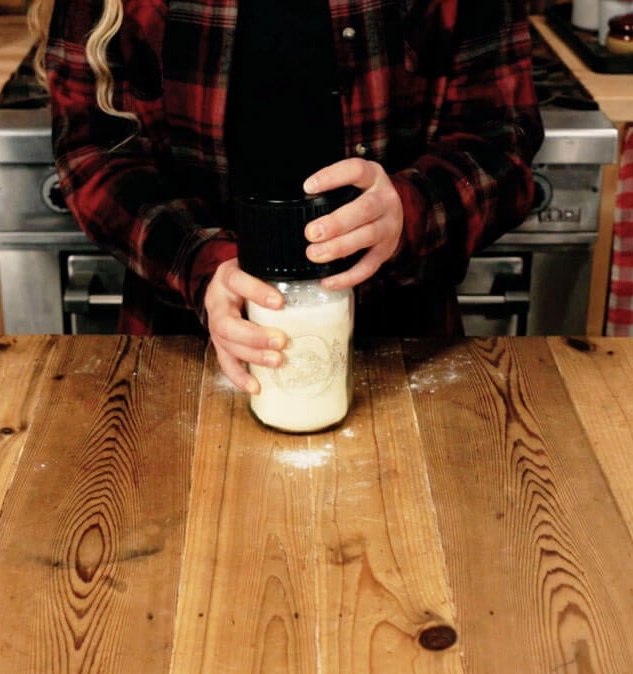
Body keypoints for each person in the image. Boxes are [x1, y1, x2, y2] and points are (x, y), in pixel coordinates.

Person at [33, 0, 544, 394]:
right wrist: (202, 264)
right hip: (182, 351)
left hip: (402, 356)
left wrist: (408, 212)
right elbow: (91, 152)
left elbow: (502, 139)